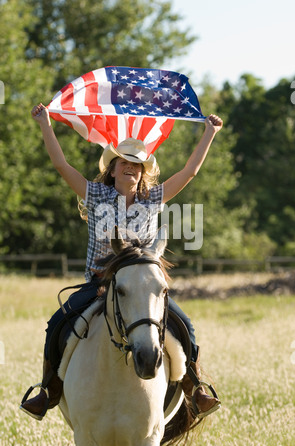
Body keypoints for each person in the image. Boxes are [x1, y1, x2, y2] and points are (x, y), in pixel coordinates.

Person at [20, 103, 223, 421]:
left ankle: (194, 387)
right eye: (124, 162)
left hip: (142, 287)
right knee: (56, 323)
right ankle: (49, 390)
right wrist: (46, 121)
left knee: (185, 326)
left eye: (137, 164)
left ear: (143, 172)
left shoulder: (153, 198)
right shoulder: (95, 195)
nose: (131, 167)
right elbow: (60, 164)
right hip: (99, 284)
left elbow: (189, 172)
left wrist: (209, 133)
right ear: (112, 168)